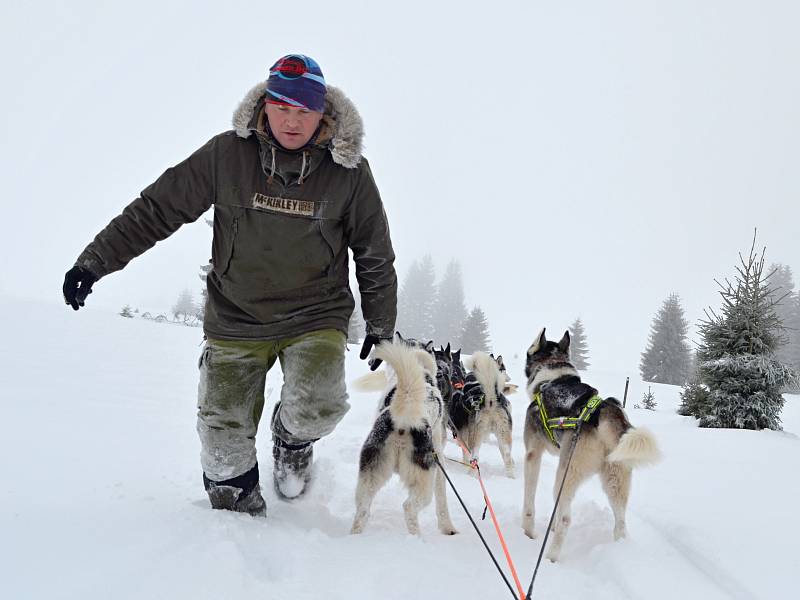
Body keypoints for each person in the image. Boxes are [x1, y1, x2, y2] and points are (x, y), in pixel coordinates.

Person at [62, 54, 397, 516]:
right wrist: (94, 263)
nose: (292, 120)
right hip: (236, 316)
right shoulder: (226, 154)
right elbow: (158, 208)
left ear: (324, 113)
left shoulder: (350, 174)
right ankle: (236, 523)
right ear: (265, 104)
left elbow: (373, 251)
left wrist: (381, 324)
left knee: (318, 405)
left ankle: (290, 442)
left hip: (315, 314)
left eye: (304, 110)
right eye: (282, 106)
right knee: (222, 446)